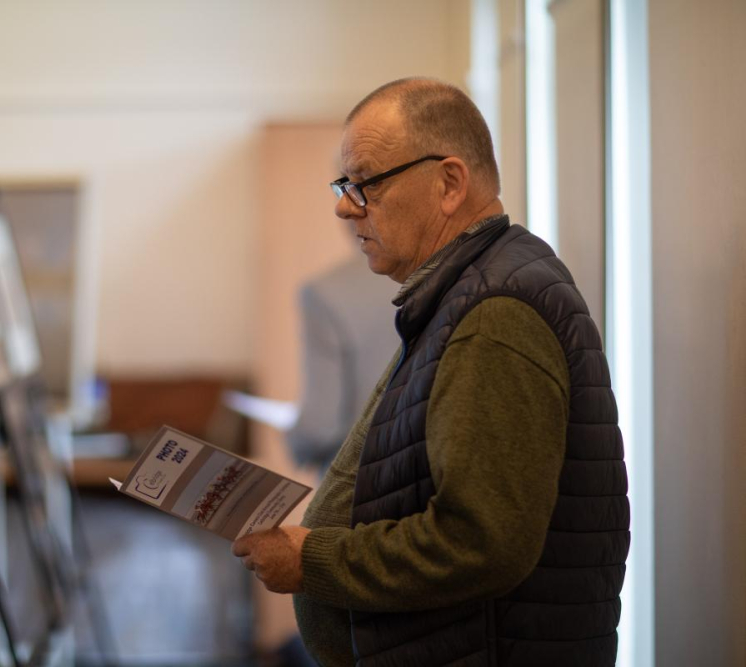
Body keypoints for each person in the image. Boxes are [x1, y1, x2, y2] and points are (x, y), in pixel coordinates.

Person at [232, 78, 629, 666]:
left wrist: (310, 560)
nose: (345, 205)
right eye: (345, 184)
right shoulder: (465, 292)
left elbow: (480, 544)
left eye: (366, 183)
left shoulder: (494, 313)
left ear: (448, 183)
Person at [286, 255, 397, 476]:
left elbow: (320, 426)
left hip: (361, 482)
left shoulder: (327, 291)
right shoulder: (462, 272)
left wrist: (295, 443)